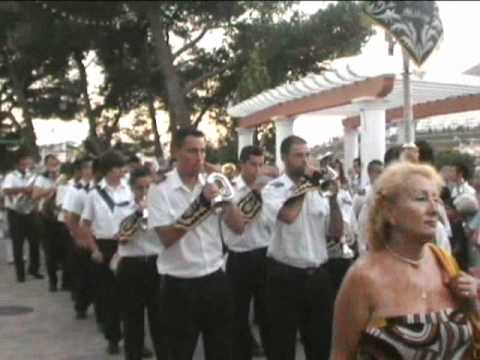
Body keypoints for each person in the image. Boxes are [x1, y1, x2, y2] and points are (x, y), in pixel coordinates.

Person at [331, 162, 478, 359]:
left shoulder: (445, 263)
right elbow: (341, 354)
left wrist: (471, 304)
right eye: (421, 199)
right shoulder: (363, 278)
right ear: (389, 212)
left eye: (436, 199)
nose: (434, 209)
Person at [148, 127, 244, 360]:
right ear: (175, 151)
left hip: (214, 279)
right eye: (192, 151)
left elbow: (239, 226)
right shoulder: (159, 189)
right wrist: (201, 204)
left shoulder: (211, 184)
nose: (200, 158)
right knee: (178, 353)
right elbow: (167, 238)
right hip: (178, 286)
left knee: (222, 351)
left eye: (202, 151)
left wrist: (227, 197)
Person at [261, 135, 337, 360]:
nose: (305, 160)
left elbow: (334, 232)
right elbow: (289, 215)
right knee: (281, 346)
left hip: (318, 277)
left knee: (321, 345)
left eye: (307, 155)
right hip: (283, 277)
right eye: (298, 155)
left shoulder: (318, 190)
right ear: (284, 158)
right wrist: (306, 183)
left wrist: (334, 199)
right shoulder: (273, 189)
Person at [80, 150, 135, 355]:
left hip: (128, 245)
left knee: (130, 296)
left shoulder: (129, 190)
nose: (122, 171)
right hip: (105, 246)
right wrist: (93, 249)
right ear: (108, 170)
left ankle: (133, 339)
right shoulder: (94, 194)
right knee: (109, 296)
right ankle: (113, 337)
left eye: (123, 168)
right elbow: (84, 224)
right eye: (119, 168)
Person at [223, 145, 271, 360]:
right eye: (253, 164)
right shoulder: (230, 190)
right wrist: (256, 193)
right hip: (239, 256)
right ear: (242, 164)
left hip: (265, 254)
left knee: (269, 314)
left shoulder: (271, 188)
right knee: (238, 315)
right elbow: (238, 224)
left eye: (261, 165)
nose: (258, 170)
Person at [116, 166, 169, 360]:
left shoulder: (162, 207)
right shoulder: (122, 207)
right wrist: (139, 214)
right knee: (132, 322)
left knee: (161, 321)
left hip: (157, 265)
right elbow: (122, 238)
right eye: (140, 188)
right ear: (132, 189)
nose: (145, 192)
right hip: (131, 266)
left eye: (149, 187)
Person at [1, 149, 43, 282]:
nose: (30, 162)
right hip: (15, 213)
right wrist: (23, 190)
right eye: (28, 159)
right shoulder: (11, 176)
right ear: (21, 161)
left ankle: (34, 269)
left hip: (30, 212)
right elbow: (6, 190)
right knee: (18, 244)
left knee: (34, 242)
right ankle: (20, 274)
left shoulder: (33, 175)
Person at [32, 154, 65, 292]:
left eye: (55, 164)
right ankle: (53, 281)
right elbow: (35, 196)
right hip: (45, 218)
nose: (53, 167)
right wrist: (52, 189)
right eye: (50, 164)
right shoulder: (41, 178)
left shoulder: (64, 178)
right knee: (49, 251)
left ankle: (66, 281)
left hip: (61, 217)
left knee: (64, 251)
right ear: (46, 166)